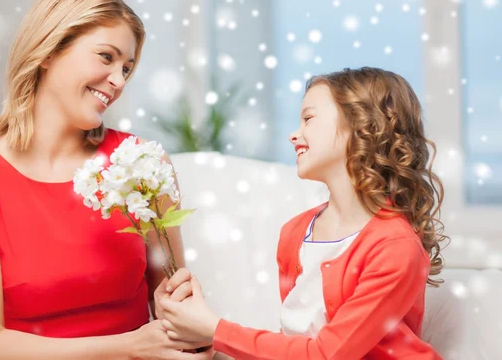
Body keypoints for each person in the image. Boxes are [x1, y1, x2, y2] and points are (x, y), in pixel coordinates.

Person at [0, 0, 211, 360]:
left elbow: (173, 311)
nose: (118, 81)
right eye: (106, 57)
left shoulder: (141, 162)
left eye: (127, 68)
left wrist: (182, 323)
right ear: (49, 49)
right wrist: (130, 347)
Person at [159, 67, 447, 360]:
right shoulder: (295, 232)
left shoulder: (395, 247)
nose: (294, 135)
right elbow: (295, 341)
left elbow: (326, 354)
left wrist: (214, 331)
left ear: (362, 126)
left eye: (309, 119)